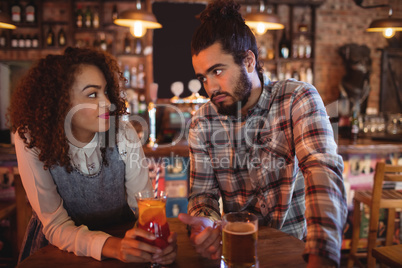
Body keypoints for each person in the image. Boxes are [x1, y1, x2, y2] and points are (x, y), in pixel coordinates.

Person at [178, 0, 347, 267]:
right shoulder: (202, 122)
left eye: (217, 71)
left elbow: (321, 170)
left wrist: (322, 253)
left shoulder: (296, 98)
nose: (209, 87)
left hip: (296, 250)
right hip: (237, 253)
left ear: (248, 61)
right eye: (203, 78)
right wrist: (204, 222)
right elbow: (203, 196)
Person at [8, 47, 177, 265]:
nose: (107, 103)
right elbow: (56, 224)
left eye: (106, 91)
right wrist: (111, 246)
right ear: (59, 102)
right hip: (59, 251)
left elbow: (143, 207)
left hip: (124, 243)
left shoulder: (123, 134)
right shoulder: (31, 139)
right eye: (92, 94)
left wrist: (156, 242)